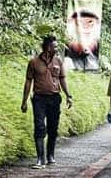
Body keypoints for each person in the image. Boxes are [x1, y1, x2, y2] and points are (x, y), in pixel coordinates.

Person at [21, 35, 73, 169]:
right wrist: (24, 101)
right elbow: (28, 81)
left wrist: (69, 95)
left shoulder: (58, 61)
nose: (57, 48)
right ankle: (40, 159)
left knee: (52, 128)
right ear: (48, 47)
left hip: (54, 98)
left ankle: (50, 155)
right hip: (39, 99)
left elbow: (62, 79)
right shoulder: (34, 62)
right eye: (55, 46)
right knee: (39, 127)